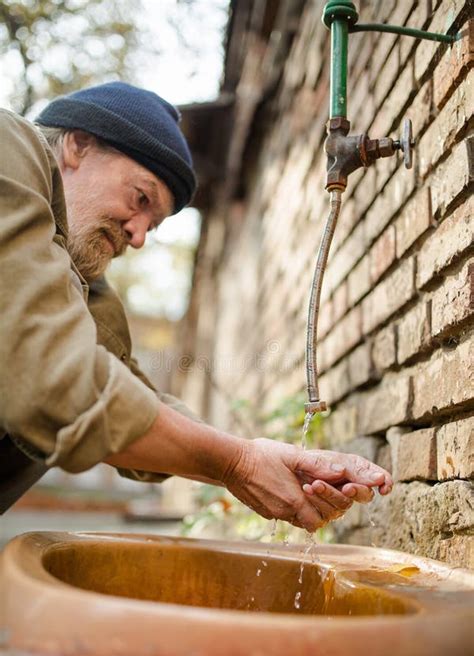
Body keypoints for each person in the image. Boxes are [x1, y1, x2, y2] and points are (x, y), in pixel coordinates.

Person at [0, 82, 392, 525]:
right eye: (141, 198)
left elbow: (128, 401)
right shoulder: (10, 146)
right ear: (77, 146)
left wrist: (266, 459)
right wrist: (237, 463)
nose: (139, 236)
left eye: (154, 224)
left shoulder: (86, 292)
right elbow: (55, 387)